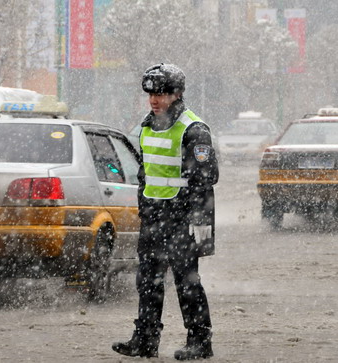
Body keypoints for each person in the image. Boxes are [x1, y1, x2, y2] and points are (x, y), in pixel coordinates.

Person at [112, 63, 219, 360]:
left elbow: (206, 178)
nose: (154, 100)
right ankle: (145, 340)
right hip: (154, 218)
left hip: (182, 219)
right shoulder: (147, 126)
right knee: (147, 281)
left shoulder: (193, 129)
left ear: (177, 94)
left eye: (161, 93)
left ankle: (200, 342)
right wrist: (146, 208)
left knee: (187, 282)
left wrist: (195, 222)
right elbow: (147, 173)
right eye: (151, 94)